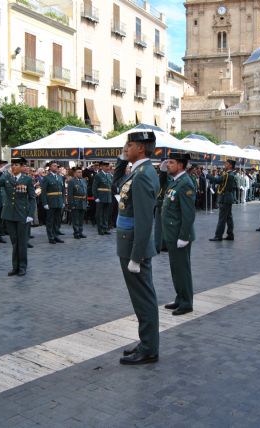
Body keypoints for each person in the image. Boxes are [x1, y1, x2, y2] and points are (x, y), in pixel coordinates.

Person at [113, 131, 160, 365]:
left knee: (144, 298)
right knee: (139, 297)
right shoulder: (137, 171)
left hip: (134, 245)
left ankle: (150, 348)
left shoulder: (143, 175)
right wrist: (122, 160)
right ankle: (145, 341)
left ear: (141, 148)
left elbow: (144, 220)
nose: (125, 147)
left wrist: (137, 256)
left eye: (129, 145)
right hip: (128, 241)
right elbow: (117, 186)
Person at [161, 152, 196, 316]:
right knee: (176, 269)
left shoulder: (185, 184)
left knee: (182, 269)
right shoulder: (175, 182)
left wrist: (183, 236)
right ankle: (180, 297)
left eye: (171, 162)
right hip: (172, 234)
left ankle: (187, 302)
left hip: (179, 235)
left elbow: (188, 214)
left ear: (180, 165)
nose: (168, 164)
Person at [0, 157, 36, 276]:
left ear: (22, 167)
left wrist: (30, 215)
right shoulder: (6, 177)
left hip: (22, 214)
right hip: (9, 214)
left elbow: (32, 198)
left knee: (22, 242)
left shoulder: (27, 179)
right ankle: (15, 267)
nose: (13, 167)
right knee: (14, 242)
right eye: (13, 165)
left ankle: (22, 267)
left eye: (16, 165)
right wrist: (0, 171)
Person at [207, 159, 237, 241]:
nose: (225, 165)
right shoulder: (230, 174)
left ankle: (218, 235)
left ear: (230, 165)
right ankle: (230, 234)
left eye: (226, 164)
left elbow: (217, 180)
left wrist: (208, 175)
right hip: (228, 197)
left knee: (222, 218)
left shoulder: (228, 175)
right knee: (229, 217)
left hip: (225, 198)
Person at [41, 161, 65, 244]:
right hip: (51, 202)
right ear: (50, 168)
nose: (56, 167)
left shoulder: (60, 177)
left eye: (56, 166)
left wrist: (63, 201)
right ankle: (51, 237)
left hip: (59, 201)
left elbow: (62, 190)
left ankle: (56, 235)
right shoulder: (47, 178)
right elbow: (43, 191)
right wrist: (45, 203)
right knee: (50, 220)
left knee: (57, 220)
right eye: (54, 166)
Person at [93, 161, 113, 235]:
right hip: (100, 197)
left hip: (108, 196)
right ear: (102, 167)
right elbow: (94, 187)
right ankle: (100, 229)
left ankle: (105, 228)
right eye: (106, 166)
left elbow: (111, 186)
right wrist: (96, 197)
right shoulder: (98, 175)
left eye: (108, 166)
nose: (108, 168)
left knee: (106, 214)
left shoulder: (109, 175)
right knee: (100, 214)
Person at [68, 167, 88, 239]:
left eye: (81, 172)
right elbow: (70, 194)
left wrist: (86, 201)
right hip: (76, 201)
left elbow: (85, 192)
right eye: (78, 172)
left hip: (82, 202)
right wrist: (71, 204)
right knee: (75, 218)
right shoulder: (72, 181)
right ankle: (76, 233)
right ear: (75, 173)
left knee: (81, 218)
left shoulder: (83, 181)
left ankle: (80, 231)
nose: (80, 173)